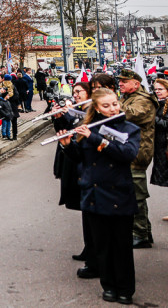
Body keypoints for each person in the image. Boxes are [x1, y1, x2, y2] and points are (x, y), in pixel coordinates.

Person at [58, 88, 140, 304]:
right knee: (102, 246)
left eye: (115, 104)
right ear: (96, 108)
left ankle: (125, 289)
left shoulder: (130, 128)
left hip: (119, 194)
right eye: (106, 106)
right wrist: (68, 146)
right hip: (94, 194)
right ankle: (109, 286)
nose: (113, 109)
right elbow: (81, 158)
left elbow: (127, 154)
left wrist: (95, 138)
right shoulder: (88, 128)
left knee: (121, 246)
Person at [51, 81, 95, 275]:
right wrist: (59, 117)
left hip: (81, 162)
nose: (76, 95)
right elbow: (63, 130)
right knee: (83, 209)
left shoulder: (90, 113)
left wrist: (69, 115)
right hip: (70, 155)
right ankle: (89, 248)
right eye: (75, 92)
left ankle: (93, 252)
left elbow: (79, 131)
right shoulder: (77, 109)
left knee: (88, 210)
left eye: (80, 92)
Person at [117, 68, 158, 248]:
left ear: (136, 84)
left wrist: (113, 105)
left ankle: (140, 233)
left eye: (124, 81)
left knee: (136, 195)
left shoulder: (144, 100)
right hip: (131, 150)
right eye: (120, 81)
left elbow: (132, 115)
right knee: (133, 193)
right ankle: (144, 232)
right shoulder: (130, 98)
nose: (120, 84)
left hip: (138, 152)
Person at [150, 77, 168, 222]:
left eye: (160, 89)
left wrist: (152, 118)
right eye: (156, 89)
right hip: (161, 147)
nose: (157, 92)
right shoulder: (158, 104)